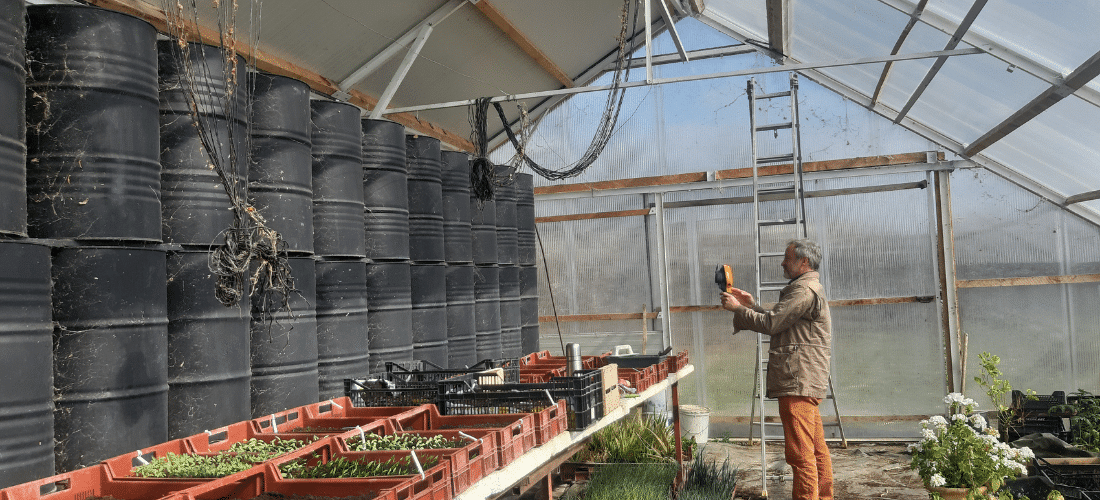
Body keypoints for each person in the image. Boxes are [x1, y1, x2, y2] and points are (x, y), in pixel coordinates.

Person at [720, 238, 834, 500]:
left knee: (800, 454)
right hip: (804, 378)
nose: (783, 262)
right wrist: (752, 305)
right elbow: (785, 319)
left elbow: (773, 324)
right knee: (815, 449)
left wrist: (738, 308)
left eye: (787, 258)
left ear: (803, 262)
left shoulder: (804, 289)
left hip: (798, 378)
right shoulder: (807, 287)